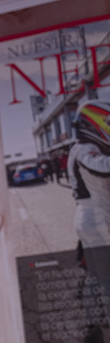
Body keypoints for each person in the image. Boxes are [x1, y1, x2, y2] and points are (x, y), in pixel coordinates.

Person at [67, 99, 110, 324]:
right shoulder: (86, 149)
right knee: (106, 279)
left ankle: (90, 320)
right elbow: (101, 167)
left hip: (88, 217)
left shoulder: (77, 148)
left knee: (95, 275)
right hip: (97, 217)